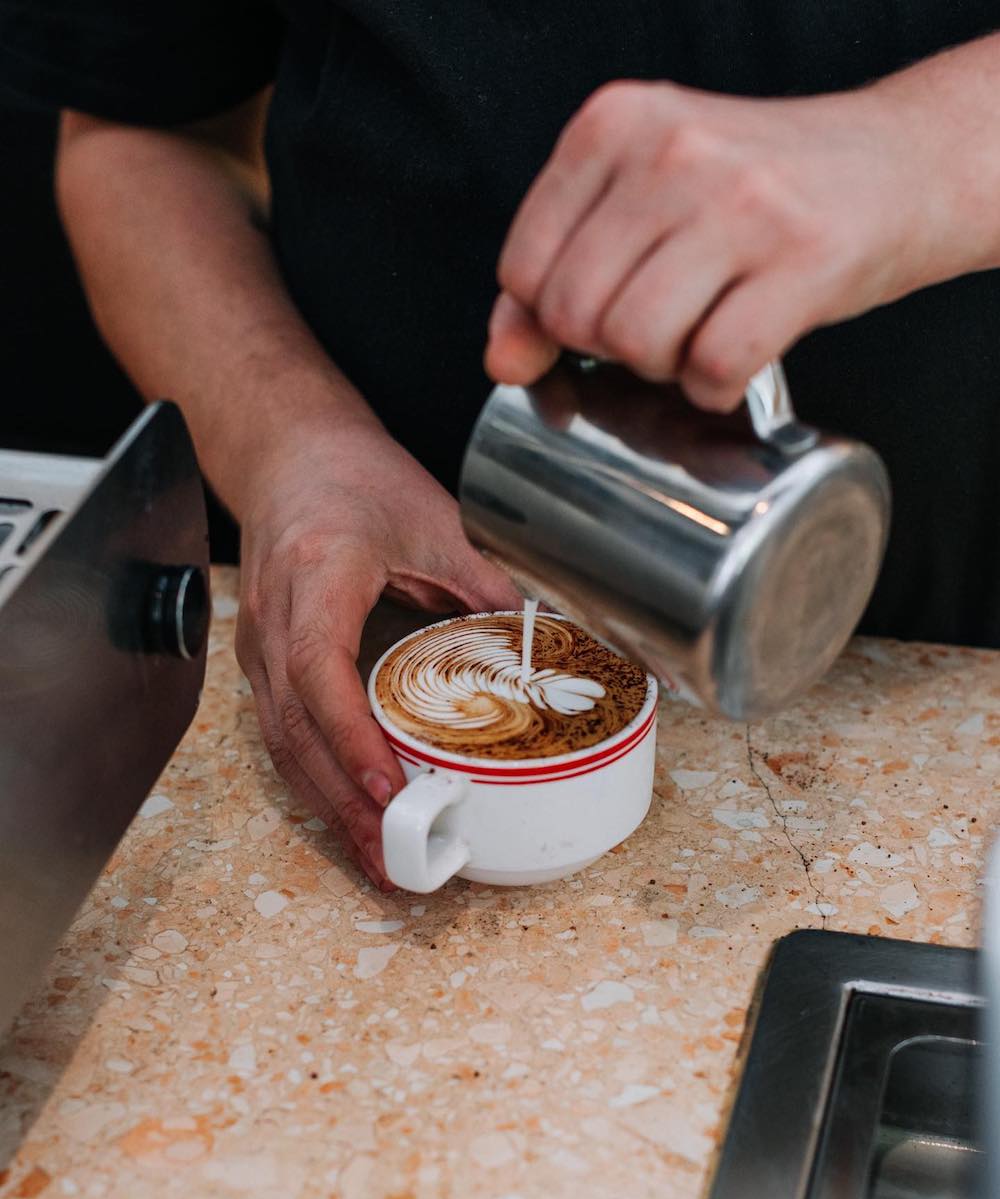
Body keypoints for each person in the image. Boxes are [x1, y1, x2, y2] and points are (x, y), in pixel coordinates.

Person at [1, 4, 998, 887]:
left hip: (947, 702)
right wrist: (289, 445)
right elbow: (134, 132)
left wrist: (923, 151)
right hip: (384, 621)